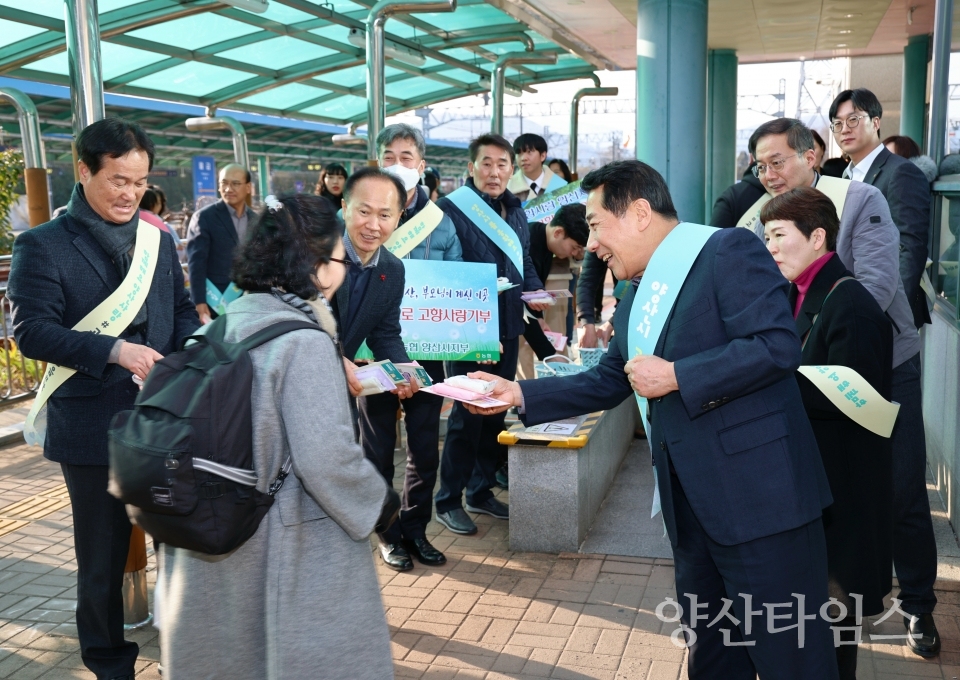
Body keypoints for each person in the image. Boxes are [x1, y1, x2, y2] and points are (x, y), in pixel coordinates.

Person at [465, 160, 837, 678]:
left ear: (640, 213)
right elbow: (610, 378)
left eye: (595, 225)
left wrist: (679, 374)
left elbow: (776, 347)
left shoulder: (726, 251)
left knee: (790, 656)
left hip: (762, 504)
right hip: (692, 510)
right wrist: (519, 393)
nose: (591, 244)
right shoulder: (639, 290)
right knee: (712, 655)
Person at [157, 193, 397, 679]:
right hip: (284, 538)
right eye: (338, 258)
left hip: (215, 532)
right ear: (312, 266)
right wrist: (379, 505)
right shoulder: (303, 342)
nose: (345, 269)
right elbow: (326, 460)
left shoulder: (224, 326)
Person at [7, 117, 199, 680]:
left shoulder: (157, 238)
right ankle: (108, 660)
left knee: (180, 543)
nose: (129, 194)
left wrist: (192, 355)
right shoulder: (41, 244)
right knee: (102, 556)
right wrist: (115, 351)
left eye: (139, 183)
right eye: (117, 180)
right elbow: (31, 333)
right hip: (91, 425)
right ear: (84, 170)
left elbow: (182, 313)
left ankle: (188, 646)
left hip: (164, 417)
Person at [751, 116, 938, 657]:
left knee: (895, 493)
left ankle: (919, 607)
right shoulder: (770, 225)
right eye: (760, 165)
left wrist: (824, 335)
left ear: (812, 155)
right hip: (819, 362)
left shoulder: (860, 201)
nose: (769, 173)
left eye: (778, 161)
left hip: (874, 365)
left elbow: (877, 286)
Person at [762, 187, 894, 679]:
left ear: (817, 238)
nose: (770, 246)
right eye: (766, 235)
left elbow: (856, 402)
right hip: (813, 492)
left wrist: (768, 382)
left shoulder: (851, 303)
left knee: (833, 633)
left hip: (843, 499)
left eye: (779, 235)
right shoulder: (795, 296)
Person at [434, 133, 546, 535]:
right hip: (468, 331)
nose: (495, 172)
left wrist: (534, 293)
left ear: (512, 169)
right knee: (465, 415)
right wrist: (475, 331)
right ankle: (448, 499)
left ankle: (479, 491)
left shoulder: (516, 209)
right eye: (487, 163)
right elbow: (447, 274)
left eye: (503, 164)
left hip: (509, 325)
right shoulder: (449, 210)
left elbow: (524, 259)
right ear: (471, 167)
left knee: (494, 413)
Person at [359, 124, 460, 571]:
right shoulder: (365, 218)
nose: (396, 164)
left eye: (406, 157)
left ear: (421, 166)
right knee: (377, 449)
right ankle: (387, 532)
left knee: (423, 448)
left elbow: (457, 284)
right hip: (373, 353)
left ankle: (417, 529)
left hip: (427, 354)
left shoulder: (443, 222)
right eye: (388, 155)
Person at [830, 88, 932, 329]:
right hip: (855, 303)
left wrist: (891, 316)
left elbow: (910, 246)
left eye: (853, 119)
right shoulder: (847, 176)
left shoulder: (901, 172)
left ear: (875, 122)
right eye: (837, 123)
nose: (845, 129)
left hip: (887, 314)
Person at [518, 204, 589, 378]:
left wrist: (539, 318)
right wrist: (551, 357)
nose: (574, 253)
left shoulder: (545, 243)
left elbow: (533, 292)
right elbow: (520, 304)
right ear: (558, 232)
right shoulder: (529, 241)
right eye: (574, 247)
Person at [186, 163, 255, 324]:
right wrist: (199, 301)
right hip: (214, 302)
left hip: (248, 301)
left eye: (235, 184)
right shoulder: (204, 217)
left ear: (248, 187)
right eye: (224, 183)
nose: (228, 189)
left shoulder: (256, 220)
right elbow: (196, 263)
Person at [507, 133, 565, 203]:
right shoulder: (507, 188)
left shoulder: (560, 187)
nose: (523, 158)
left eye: (529, 152)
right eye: (519, 153)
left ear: (542, 156)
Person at [710, 161, 766, 227]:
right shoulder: (731, 199)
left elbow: (716, 236)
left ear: (750, 158)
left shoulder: (732, 197)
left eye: (776, 163)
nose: (770, 176)